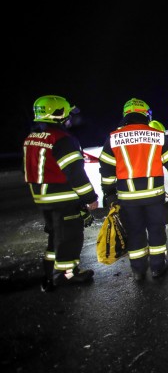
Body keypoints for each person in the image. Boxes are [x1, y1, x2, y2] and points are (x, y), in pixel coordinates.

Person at [98, 98, 168, 281]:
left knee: (135, 232)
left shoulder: (113, 138)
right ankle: (157, 267)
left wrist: (109, 193)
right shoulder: (157, 135)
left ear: (126, 115)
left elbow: (107, 170)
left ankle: (138, 271)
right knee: (156, 230)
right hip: (154, 196)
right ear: (146, 114)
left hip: (127, 199)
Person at [23, 95, 99, 291]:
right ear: (58, 114)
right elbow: (75, 172)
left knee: (55, 236)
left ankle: (49, 273)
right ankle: (67, 275)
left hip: (43, 198)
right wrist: (90, 198)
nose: (70, 119)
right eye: (67, 114)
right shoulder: (62, 139)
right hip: (62, 198)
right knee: (70, 237)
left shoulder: (32, 137)